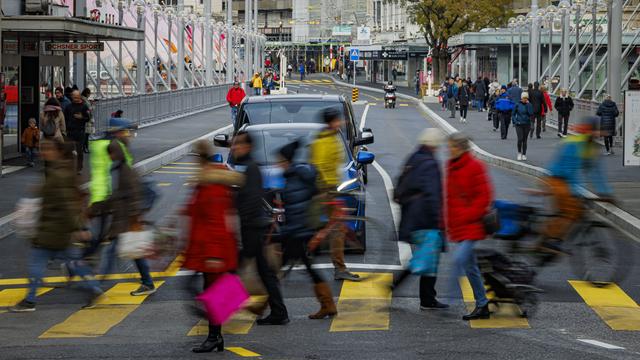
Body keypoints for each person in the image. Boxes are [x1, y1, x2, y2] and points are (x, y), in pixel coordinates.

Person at [10, 140, 102, 312]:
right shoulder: (61, 171)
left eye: (47, 149)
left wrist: (78, 228)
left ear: (58, 151)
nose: (42, 152)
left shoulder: (58, 174)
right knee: (74, 262)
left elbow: (67, 205)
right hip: (59, 230)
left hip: (52, 230)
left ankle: (29, 301)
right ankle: (94, 287)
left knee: (36, 264)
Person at [186, 140, 245, 353]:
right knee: (207, 291)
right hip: (207, 248)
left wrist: (214, 254)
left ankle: (214, 336)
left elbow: (215, 222)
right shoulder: (206, 182)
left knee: (211, 293)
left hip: (213, 250)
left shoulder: (211, 186)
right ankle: (215, 335)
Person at [232, 131, 289, 325]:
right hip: (255, 228)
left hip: (253, 230)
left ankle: (217, 310)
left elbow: (251, 201)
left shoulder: (251, 169)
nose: (234, 147)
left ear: (248, 146)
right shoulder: (250, 167)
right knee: (265, 273)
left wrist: (243, 223)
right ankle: (279, 312)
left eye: (238, 144)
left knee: (236, 270)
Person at [277, 140, 338, 320]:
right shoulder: (298, 175)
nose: (277, 164)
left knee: (272, 271)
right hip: (302, 232)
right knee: (309, 269)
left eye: (280, 160)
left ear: (286, 161)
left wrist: (284, 233)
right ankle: (328, 305)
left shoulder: (295, 178)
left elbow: (296, 209)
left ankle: (231, 305)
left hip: (298, 233)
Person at [538, 117, 613, 261]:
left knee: (575, 210)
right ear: (589, 131)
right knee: (570, 209)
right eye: (595, 132)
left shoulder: (590, 147)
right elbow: (568, 171)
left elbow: (596, 172)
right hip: (555, 179)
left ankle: (554, 239)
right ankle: (549, 241)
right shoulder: (574, 144)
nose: (597, 135)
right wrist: (576, 192)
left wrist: (605, 193)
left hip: (567, 181)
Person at [99, 118, 157, 296]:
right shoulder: (119, 168)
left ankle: (97, 286)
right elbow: (118, 195)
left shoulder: (122, 170)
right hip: (125, 217)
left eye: (110, 154)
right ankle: (147, 282)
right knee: (133, 250)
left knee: (114, 251)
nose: (108, 157)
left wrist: (134, 216)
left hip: (126, 218)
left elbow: (128, 194)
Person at [392, 128, 449, 310]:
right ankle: (427, 299)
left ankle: (423, 296)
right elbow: (433, 194)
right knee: (429, 259)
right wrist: (438, 220)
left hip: (411, 215)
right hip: (426, 217)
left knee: (422, 257)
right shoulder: (430, 163)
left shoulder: (414, 158)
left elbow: (400, 184)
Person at [309, 108, 361, 282]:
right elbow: (320, 165)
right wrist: (327, 191)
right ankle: (338, 267)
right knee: (336, 229)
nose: (341, 122)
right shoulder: (323, 141)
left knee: (336, 227)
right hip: (326, 190)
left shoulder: (332, 137)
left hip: (332, 188)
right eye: (338, 120)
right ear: (331, 122)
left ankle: (338, 266)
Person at [445, 132, 493, 321]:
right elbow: (450, 198)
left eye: (452, 147)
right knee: (470, 266)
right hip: (459, 225)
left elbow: (484, 197)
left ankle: (450, 300)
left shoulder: (475, 166)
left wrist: (466, 216)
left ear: (461, 148)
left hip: (472, 225)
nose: (449, 150)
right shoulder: (451, 166)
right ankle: (482, 305)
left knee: (458, 261)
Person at [63, 90, 91, 173]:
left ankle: (79, 168)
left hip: (80, 131)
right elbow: (65, 118)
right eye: (73, 97)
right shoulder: (69, 107)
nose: (75, 99)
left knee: (79, 150)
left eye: (76, 97)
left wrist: (82, 117)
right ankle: (70, 167)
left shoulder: (84, 106)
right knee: (69, 150)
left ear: (79, 97)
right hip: (70, 131)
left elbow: (88, 118)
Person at [512, 92, 533, 161]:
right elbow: (513, 114)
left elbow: (531, 113)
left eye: (526, 98)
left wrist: (528, 105)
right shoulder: (517, 104)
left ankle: (524, 154)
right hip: (519, 124)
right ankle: (519, 153)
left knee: (525, 140)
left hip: (527, 124)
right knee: (520, 139)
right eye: (524, 98)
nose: (525, 99)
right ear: (521, 98)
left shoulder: (529, 105)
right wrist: (515, 121)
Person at [81, 88, 94, 154]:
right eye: (89, 94)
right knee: (86, 134)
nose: (89, 95)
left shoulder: (83, 99)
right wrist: (92, 106)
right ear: (86, 93)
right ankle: (85, 147)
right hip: (87, 119)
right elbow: (89, 109)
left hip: (86, 118)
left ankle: (84, 147)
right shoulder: (84, 100)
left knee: (86, 134)